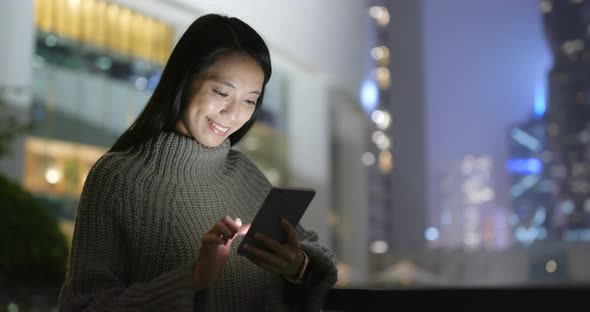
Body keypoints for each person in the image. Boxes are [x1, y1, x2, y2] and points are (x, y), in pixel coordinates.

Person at [57, 13, 338, 312]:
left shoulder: (246, 174)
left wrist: (298, 265)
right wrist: (193, 278)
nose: (233, 114)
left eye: (249, 100)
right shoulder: (117, 178)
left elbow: (315, 258)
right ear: (185, 79)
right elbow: (83, 305)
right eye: (221, 92)